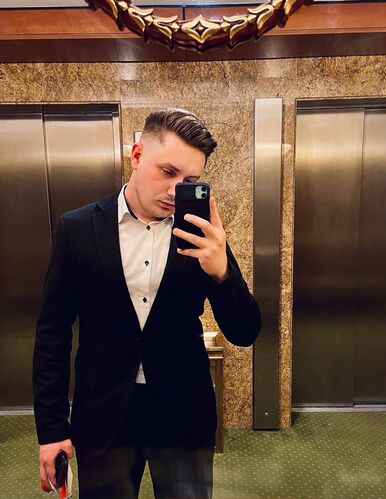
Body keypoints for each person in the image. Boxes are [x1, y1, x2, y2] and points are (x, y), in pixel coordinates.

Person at [33, 108, 261, 498]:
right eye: (168, 172)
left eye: (190, 181)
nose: (176, 190)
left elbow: (245, 332)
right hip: (103, 415)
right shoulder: (78, 228)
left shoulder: (202, 236)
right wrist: (52, 430)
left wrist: (222, 273)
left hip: (183, 414)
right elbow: (52, 334)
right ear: (137, 155)